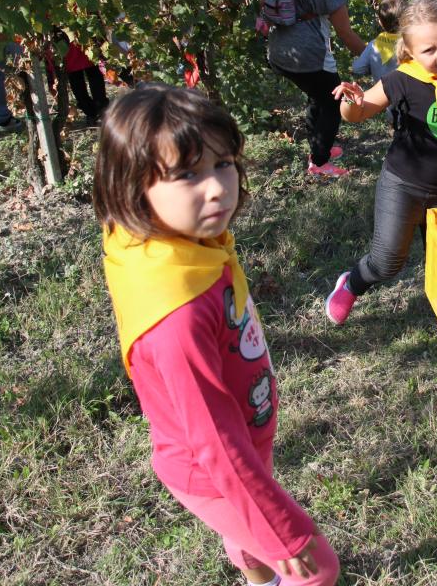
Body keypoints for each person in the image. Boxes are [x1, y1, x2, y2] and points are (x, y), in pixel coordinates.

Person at [93, 87, 340, 586]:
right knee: (316, 570)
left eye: (223, 164)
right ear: (130, 189)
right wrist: (284, 532)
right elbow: (214, 441)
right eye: (186, 174)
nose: (216, 189)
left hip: (242, 440)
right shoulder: (175, 314)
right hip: (213, 465)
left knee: (248, 528)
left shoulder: (176, 247)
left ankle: (257, 574)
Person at [324, 0, 437, 324]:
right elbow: (359, 112)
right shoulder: (402, 79)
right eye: (429, 50)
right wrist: (350, 102)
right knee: (387, 261)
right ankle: (350, 283)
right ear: (410, 50)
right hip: (400, 184)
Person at [267, 0, 367, 178]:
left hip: (279, 51)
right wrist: (373, 58)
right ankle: (320, 163)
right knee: (333, 100)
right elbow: (345, 33)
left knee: (318, 95)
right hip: (309, 55)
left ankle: (318, 148)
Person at [350, 0, 404, 85]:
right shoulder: (411, 43)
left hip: (382, 96)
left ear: (380, 22)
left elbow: (357, 68)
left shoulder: (374, 45)